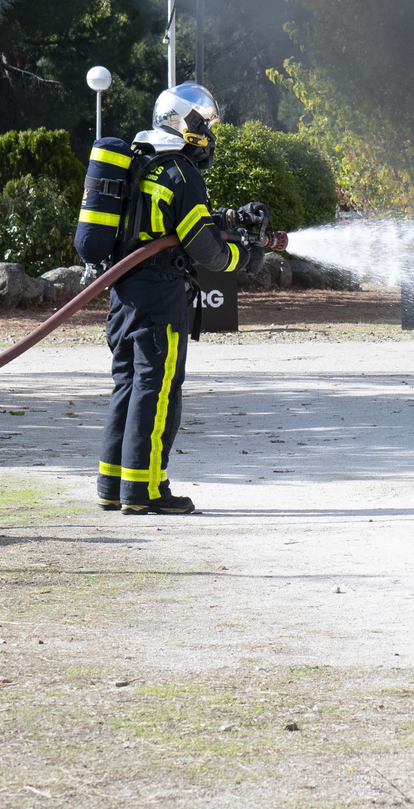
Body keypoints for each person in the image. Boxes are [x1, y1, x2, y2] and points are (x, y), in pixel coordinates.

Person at [93, 83, 262, 515]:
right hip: (160, 293)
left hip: (124, 291)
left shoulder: (141, 162)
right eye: (205, 125)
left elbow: (173, 225)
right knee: (158, 387)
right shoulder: (181, 172)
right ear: (184, 124)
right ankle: (146, 491)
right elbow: (205, 249)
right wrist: (245, 257)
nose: (209, 135)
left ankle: (113, 487)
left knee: (128, 384)